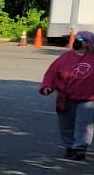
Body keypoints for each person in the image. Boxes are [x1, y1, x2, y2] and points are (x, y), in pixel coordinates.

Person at [40, 30, 94, 160]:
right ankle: (69, 147)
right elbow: (51, 73)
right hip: (66, 97)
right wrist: (47, 86)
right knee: (66, 124)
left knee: (84, 124)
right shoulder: (65, 57)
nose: (76, 42)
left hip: (88, 98)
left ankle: (80, 148)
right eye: (76, 39)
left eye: (80, 40)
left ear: (88, 43)